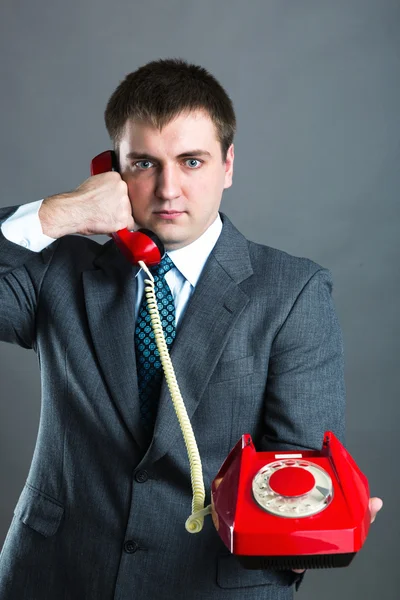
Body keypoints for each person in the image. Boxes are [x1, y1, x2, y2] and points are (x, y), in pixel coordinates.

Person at [0, 58, 381, 600]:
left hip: (213, 584)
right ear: (112, 169)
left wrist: (318, 520)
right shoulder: (56, 270)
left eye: (192, 161)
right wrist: (59, 214)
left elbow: (298, 466)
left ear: (228, 165)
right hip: (56, 573)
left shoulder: (292, 291)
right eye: (143, 164)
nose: (168, 189)